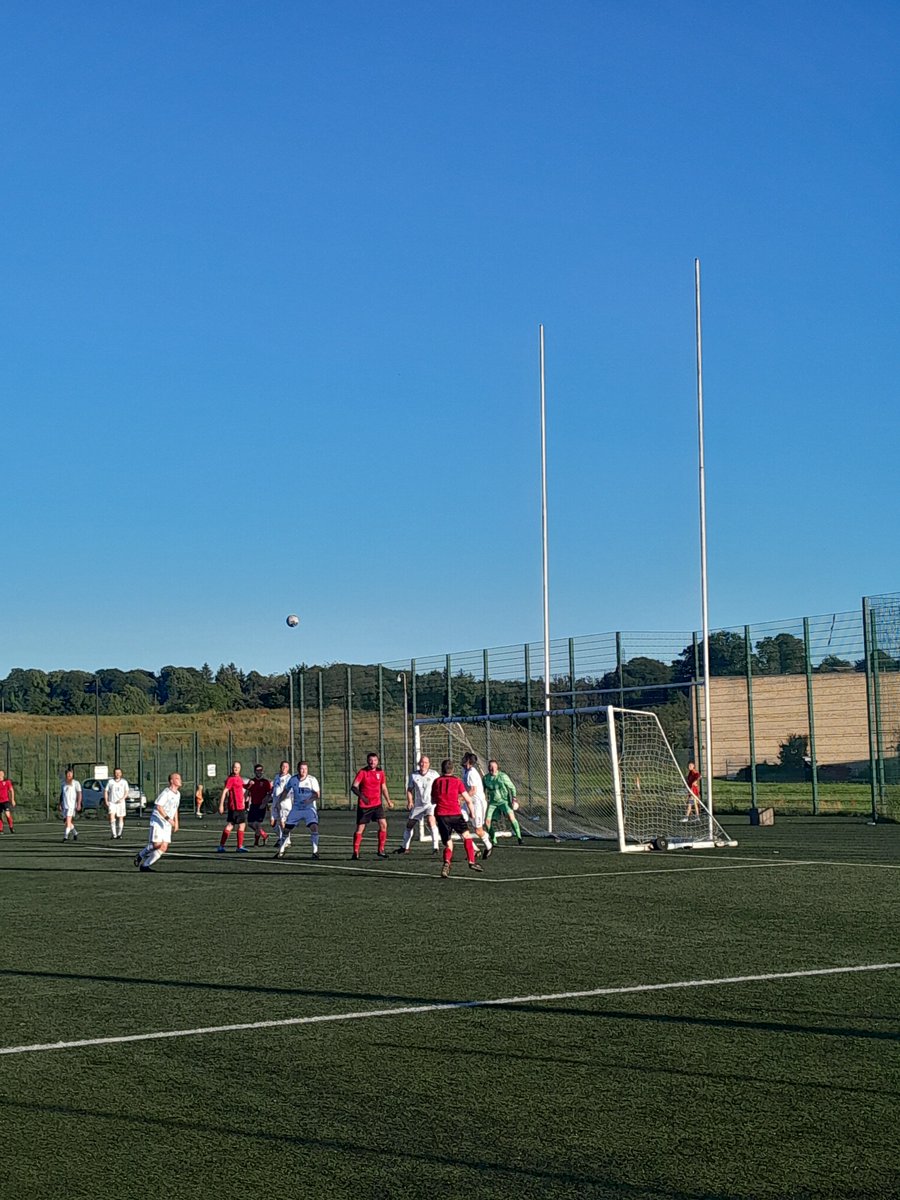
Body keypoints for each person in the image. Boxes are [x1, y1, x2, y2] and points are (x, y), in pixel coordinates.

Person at [432, 758, 483, 877]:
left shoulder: (436, 781)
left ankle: (446, 863)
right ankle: (471, 861)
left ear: (442, 769)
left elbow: (433, 800)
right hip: (455, 814)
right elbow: (468, 799)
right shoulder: (457, 781)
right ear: (453, 769)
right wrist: (472, 813)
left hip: (441, 815)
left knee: (449, 844)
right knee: (466, 836)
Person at [133, 772, 181, 872]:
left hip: (167, 823)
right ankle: (140, 855)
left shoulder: (178, 794)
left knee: (163, 847)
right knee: (156, 844)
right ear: (171, 781)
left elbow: (175, 808)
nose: (180, 780)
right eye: (177, 778)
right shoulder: (166, 793)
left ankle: (145, 866)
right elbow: (159, 807)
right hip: (158, 820)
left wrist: (176, 822)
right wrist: (168, 819)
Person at [350, 751, 393, 859]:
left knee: (383, 825)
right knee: (360, 829)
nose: (372, 762)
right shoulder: (362, 772)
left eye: (374, 760)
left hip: (377, 805)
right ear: (367, 761)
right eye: (370, 760)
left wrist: (388, 800)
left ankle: (381, 850)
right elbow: (354, 787)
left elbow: (383, 787)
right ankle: (355, 852)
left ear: (377, 761)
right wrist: (363, 797)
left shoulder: (380, 773)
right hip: (364, 806)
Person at [275, 760, 321, 860]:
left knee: (314, 827)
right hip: (296, 809)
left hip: (309, 809)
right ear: (298, 769)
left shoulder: (312, 780)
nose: (303, 771)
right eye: (301, 769)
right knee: (286, 829)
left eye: (305, 769)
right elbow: (286, 791)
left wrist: (309, 800)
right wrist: (279, 802)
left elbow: (317, 794)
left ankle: (315, 851)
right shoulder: (293, 780)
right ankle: (281, 850)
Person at [394, 754, 440, 855]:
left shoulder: (434, 774)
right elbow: (409, 790)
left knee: (431, 821)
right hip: (419, 805)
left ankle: (435, 847)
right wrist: (410, 801)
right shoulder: (414, 775)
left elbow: (439, 787)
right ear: (419, 763)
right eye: (422, 762)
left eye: (426, 762)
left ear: (429, 764)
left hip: (430, 804)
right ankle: (405, 847)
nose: (424, 764)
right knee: (409, 824)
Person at [483, 759, 523, 846]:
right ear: (488, 768)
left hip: (504, 802)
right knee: (487, 822)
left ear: (497, 768)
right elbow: (483, 791)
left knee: (511, 818)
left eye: (494, 767)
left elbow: (512, 787)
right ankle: (494, 840)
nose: (492, 769)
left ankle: (519, 838)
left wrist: (514, 798)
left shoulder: (502, 776)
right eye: (490, 767)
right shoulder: (486, 778)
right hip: (493, 803)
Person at [461, 752, 493, 859]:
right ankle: (474, 849)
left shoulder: (472, 773)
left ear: (469, 762)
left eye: (465, 759)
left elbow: (473, 791)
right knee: (459, 825)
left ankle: (488, 846)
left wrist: (460, 798)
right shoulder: (464, 771)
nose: (463, 759)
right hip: (468, 802)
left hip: (478, 804)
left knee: (478, 831)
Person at [217, 762, 249, 853]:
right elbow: (225, 791)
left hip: (240, 806)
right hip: (235, 807)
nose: (236, 769)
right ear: (232, 768)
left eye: (238, 767)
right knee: (235, 825)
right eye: (235, 767)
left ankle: (223, 846)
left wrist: (250, 785)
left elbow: (243, 787)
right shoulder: (231, 779)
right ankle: (236, 846)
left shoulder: (239, 778)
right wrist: (221, 805)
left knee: (235, 825)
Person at [245, 764, 272, 846]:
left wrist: (265, 803)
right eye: (257, 770)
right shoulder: (252, 781)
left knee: (257, 824)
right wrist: (246, 802)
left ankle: (256, 842)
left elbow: (270, 793)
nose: (259, 772)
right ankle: (264, 835)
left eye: (260, 770)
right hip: (253, 805)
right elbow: (247, 791)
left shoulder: (266, 782)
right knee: (250, 824)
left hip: (261, 806)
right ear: (255, 771)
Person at [103, 767, 129, 840]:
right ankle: (114, 834)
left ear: (121, 774)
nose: (117, 774)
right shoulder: (110, 782)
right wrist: (106, 801)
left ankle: (119, 834)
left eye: (119, 773)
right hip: (112, 802)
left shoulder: (124, 782)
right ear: (114, 774)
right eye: (116, 773)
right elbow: (106, 791)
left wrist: (122, 799)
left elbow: (126, 792)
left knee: (121, 818)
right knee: (111, 817)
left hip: (121, 803)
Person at [270, 760, 293, 840]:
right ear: (280, 767)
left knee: (283, 823)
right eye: (283, 766)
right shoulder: (277, 777)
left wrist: (281, 800)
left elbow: (288, 791)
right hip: (275, 802)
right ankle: (281, 838)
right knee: (272, 823)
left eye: (286, 767)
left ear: (288, 768)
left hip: (284, 803)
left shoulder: (289, 778)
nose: (284, 768)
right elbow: (274, 788)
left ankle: (286, 840)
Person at [59, 769, 82, 842]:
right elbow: (62, 794)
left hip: (71, 806)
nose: (69, 775)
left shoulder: (76, 783)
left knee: (68, 821)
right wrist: (60, 804)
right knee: (66, 822)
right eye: (68, 774)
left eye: (70, 774)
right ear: (66, 775)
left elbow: (79, 794)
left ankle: (65, 837)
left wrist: (78, 803)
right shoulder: (63, 783)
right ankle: (75, 833)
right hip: (65, 805)